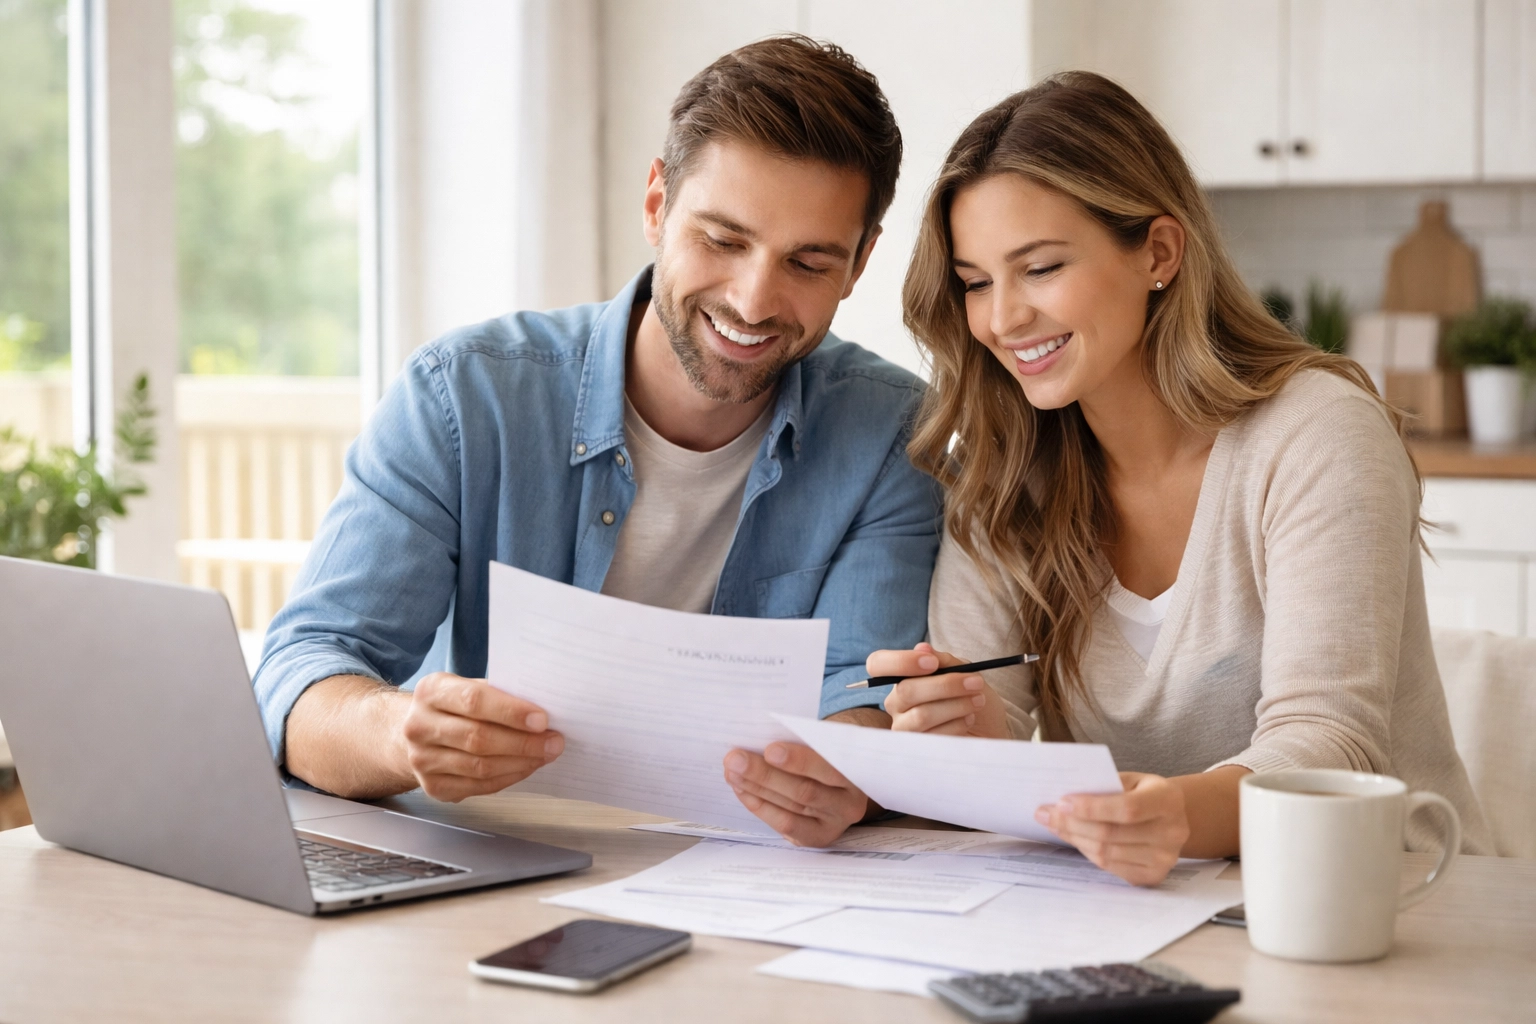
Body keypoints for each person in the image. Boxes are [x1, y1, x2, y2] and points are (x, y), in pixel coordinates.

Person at [254, 36, 940, 848]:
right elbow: (303, 672)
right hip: (482, 861)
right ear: (656, 204)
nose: (754, 300)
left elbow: (856, 690)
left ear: (860, 262)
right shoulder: (463, 397)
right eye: (722, 241)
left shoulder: (894, 433)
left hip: (742, 877)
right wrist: (400, 733)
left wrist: (847, 774)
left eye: (808, 262)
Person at [869, 72, 1491, 885]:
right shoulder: (1004, 471)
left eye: (1042, 268)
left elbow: (1329, 744)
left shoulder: (1316, 435)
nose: (1001, 318)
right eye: (977, 282)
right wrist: (972, 733)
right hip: (1143, 908)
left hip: (1390, 904)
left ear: (1158, 252)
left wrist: (1172, 813)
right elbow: (998, 727)